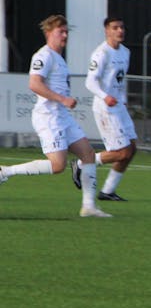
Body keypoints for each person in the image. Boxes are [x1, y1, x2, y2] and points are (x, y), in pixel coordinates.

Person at [0, 15, 111, 217]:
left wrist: (63, 102)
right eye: (61, 31)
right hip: (48, 117)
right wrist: (62, 99)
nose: (65, 35)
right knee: (57, 165)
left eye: (67, 31)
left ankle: (89, 207)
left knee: (87, 154)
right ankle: (6, 171)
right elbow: (34, 84)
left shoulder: (59, 57)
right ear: (49, 33)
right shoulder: (44, 56)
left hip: (62, 116)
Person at [69, 16, 137, 201]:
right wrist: (105, 96)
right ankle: (82, 164)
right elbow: (90, 81)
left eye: (122, 27)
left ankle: (108, 191)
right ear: (107, 31)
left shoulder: (125, 52)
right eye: (115, 27)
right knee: (122, 152)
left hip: (118, 106)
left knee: (132, 148)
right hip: (105, 107)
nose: (120, 31)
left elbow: (120, 80)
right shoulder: (101, 53)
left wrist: (122, 99)